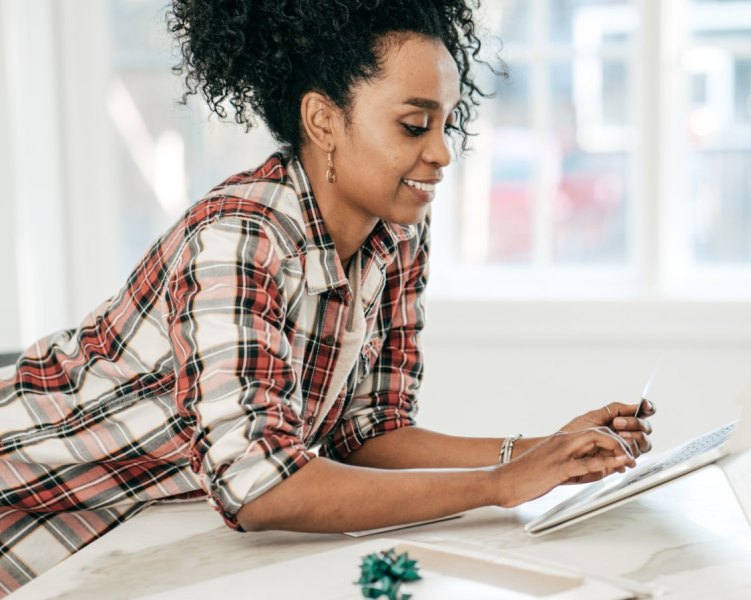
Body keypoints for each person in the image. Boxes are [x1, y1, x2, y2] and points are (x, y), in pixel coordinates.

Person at [0, 0, 655, 595]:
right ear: (323, 120)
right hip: (29, 520)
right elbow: (259, 485)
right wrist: (499, 486)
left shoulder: (396, 236)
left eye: (447, 125)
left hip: (133, 540)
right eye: (414, 125)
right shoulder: (240, 240)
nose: (442, 154)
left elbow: (367, 432)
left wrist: (541, 451)